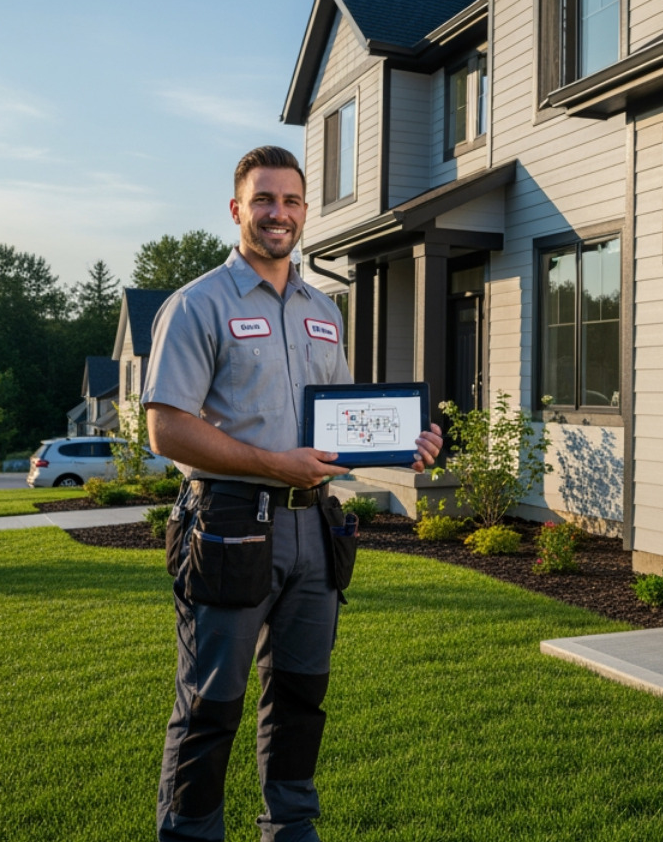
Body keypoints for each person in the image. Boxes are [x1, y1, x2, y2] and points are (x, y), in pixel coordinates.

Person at [143, 145, 441, 842]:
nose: (280, 213)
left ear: (305, 211)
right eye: (265, 200)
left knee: (302, 696)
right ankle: (190, 834)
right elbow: (166, 429)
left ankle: (290, 830)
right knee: (212, 701)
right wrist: (272, 464)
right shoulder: (197, 305)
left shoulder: (323, 311)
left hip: (315, 530)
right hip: (228, 524)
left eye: (292, 201)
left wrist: (408, 447)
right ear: (237, 209)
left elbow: (339, 423)